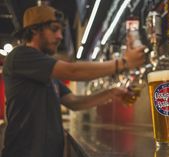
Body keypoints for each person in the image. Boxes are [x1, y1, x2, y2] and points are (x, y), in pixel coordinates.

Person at [1, 5, 145, 157]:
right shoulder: (20, 56)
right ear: (34, 30)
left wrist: (113, 92)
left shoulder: (46, 72)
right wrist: (124, 63)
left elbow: (75, 102)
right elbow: (73, 71)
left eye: (61, 31)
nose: (60, 36)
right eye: (54, 29)